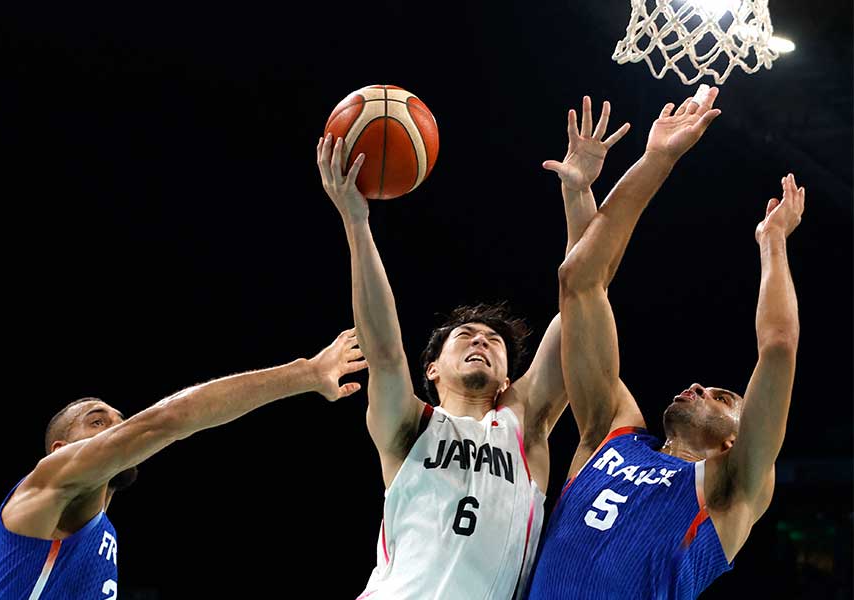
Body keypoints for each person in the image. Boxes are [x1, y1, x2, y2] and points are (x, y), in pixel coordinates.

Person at [315, 98, 630, 599]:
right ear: (432, 371)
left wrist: (579, 197)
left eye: (494, 342)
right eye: (465, 337)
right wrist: (357, 223)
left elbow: (583, 299)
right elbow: (384, 350)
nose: (481, 339)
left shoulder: (525, 427)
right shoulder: (408, 427)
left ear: (508, 380)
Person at [528, 87, 805, 599]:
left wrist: (773, 243)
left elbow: (780, 347)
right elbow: (580, 283)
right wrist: (656, 160)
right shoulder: (610, 432)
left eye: (723, 398)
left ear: (732, 441)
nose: (700, 386)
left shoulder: (730, 488)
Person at [0, 329, 368, 599]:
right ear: (59, 450)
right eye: (98, 422)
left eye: (120, 423)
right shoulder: (48, 483)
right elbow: (169, 420)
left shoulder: (100, 532)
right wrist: (307, 373)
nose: (118, 431)